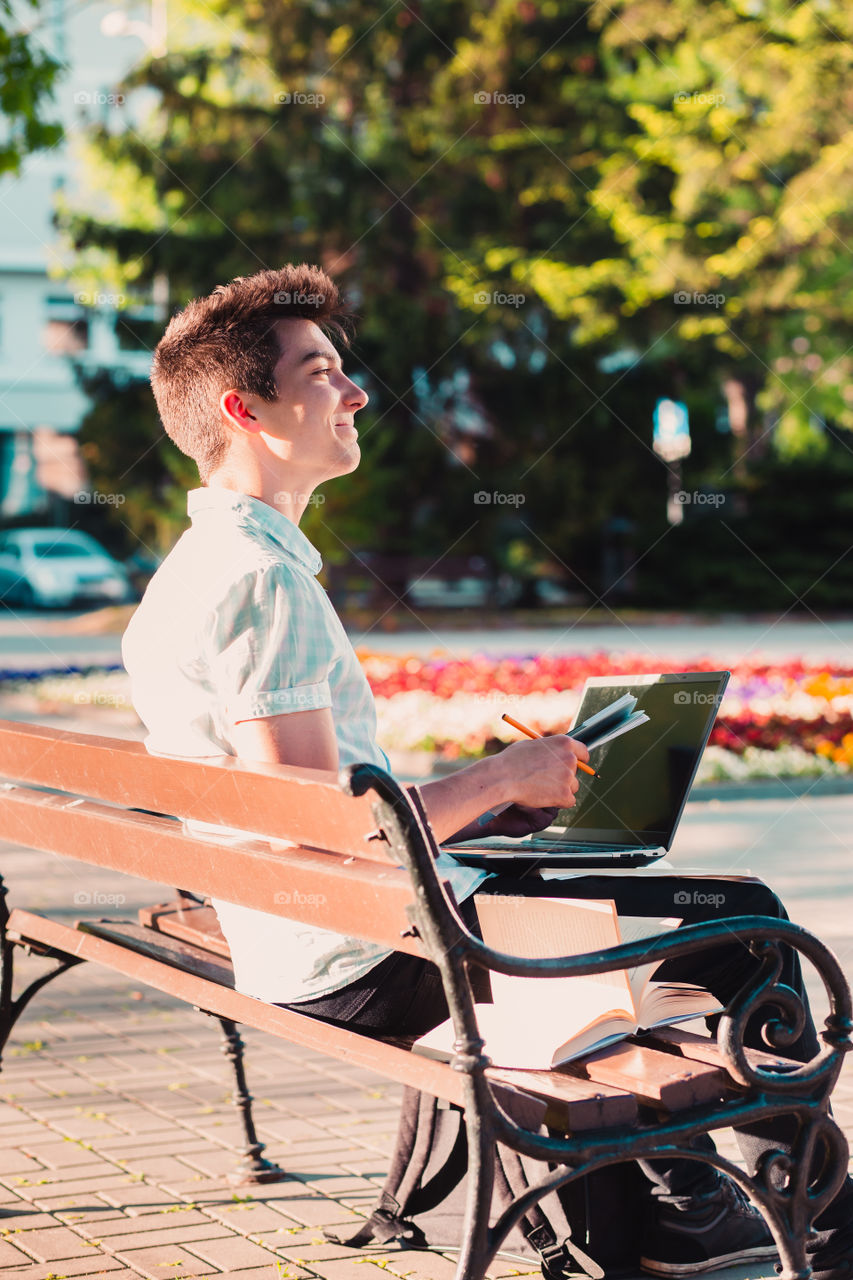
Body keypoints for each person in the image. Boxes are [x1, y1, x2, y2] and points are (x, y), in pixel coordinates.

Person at [122, 264, 853, 1279]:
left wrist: (488, 802)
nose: (355, 391)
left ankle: (690, 1208)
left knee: (703, 909)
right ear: (248, 409)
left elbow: (309, 813)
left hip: (331, 929)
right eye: (323, 371)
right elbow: (311, 825)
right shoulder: (260, 582)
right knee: (750, 927)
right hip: (364, 954)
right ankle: (794, 1223)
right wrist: (505, 776)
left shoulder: (201, 570)